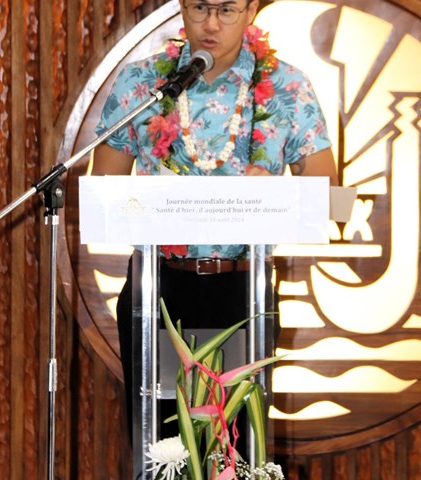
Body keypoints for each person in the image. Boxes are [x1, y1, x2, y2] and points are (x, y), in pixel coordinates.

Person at [91, 0, 338, 444]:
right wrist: (152, 201)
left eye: (226, 10)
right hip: (159, 287)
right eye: (200, 8)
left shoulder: (288, 86)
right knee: (163, 448)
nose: (210, 24)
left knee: (236, 446)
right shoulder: (142, 83)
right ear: (182, 7)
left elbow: (329, 200)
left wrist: (273, 192)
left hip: (242, 290)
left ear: (251, 10)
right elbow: (103, 191)